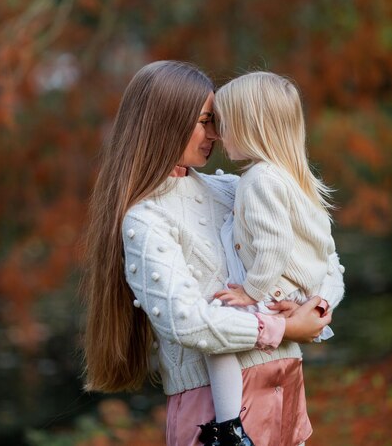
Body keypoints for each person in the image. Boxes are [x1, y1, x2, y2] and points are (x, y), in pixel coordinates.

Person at [83, 61, 342, 446]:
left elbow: (325, 256)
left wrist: (318, 304)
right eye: (206, 121)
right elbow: (188, 323)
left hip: (287, 388)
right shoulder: (146, 219)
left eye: (216, 121)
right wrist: (284, 328)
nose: (215, 135)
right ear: (167, 121)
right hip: (215, 414)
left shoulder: (235, 189)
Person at [205, 70, 345, 445]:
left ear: (250, 128)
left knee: (215, 339)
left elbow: (274, 246)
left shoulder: (260, 180)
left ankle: (229, 426)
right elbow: (324, 250)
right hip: (302, 294)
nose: (217, 136)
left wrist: (251, 292)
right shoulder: (293, 178)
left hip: (277, 292)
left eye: (223, 124)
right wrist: (320, 299)